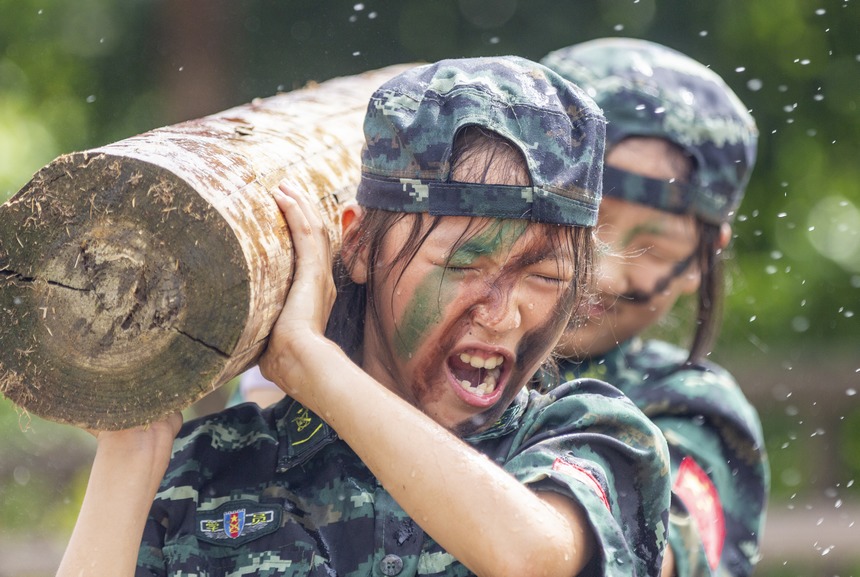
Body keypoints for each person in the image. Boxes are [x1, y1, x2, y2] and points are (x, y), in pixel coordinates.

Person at [56, 56, 671, 577]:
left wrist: (309, 363)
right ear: (358, 247)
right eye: (462, 265)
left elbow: (532, 556)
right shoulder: (212, 470)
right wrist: (133, 450)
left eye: (546, 278)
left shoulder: (595, 442)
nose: (504, 314)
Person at [539, 38, 770, 577]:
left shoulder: (689, 414)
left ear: (699, 260)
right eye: (583, 222)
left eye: (654, 247)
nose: (602, 271)